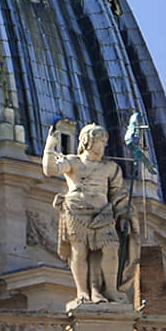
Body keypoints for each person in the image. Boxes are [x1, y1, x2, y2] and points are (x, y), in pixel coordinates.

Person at [42, 122, 133, 307]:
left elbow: (118, 194)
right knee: (79, 250)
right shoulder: (74, 162)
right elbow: (50, 170)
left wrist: (124, 215)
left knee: (111, 248)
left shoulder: (110, 168)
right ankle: (82, 291)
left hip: (103, 214)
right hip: (76, 211)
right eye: (99, 141)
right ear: (87, 141)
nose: (103, 145)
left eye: (104, 142)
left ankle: (110, 289)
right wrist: (50, 148)